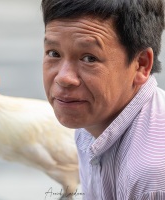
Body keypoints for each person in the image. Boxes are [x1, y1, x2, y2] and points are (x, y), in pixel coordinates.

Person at [41, 0, 165, 199]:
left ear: (141, 65)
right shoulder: (90, 124)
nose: (64, 78)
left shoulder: (151, 177)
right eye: (53, 53)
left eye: (89, 58)